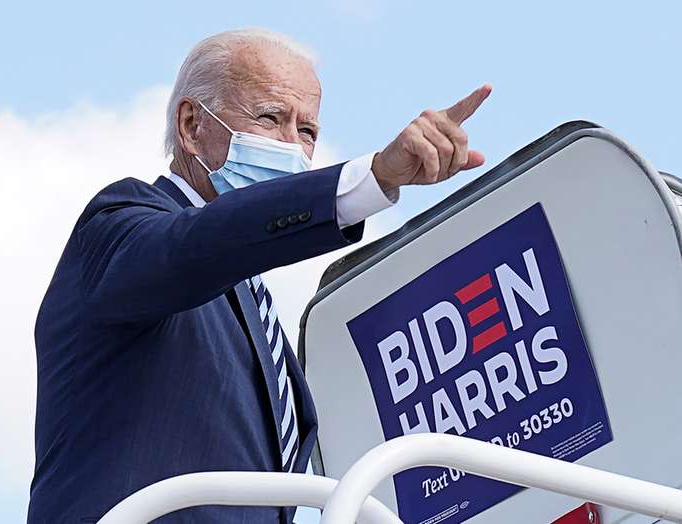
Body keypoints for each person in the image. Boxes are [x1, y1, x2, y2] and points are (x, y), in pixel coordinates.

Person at [27, 28, 491, 523]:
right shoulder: (120, 225)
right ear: (191, 125)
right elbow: (198, 245)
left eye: (308, 132)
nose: (294, 147)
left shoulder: (251, 306)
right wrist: (371, 179)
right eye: (271, 118)